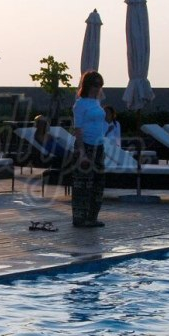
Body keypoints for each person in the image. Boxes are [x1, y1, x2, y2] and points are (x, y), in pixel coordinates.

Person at [70, 71, 107, 228]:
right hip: (85, 146)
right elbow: (78, 129)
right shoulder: (80, 104)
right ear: (88, 85)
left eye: (100, 85)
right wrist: (82, 152)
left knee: (98, 184)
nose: (98, 88)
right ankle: (80, 218)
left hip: (99, 146)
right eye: (95, 85)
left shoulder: (97, 102)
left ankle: (92, 217)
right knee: (83, 184)